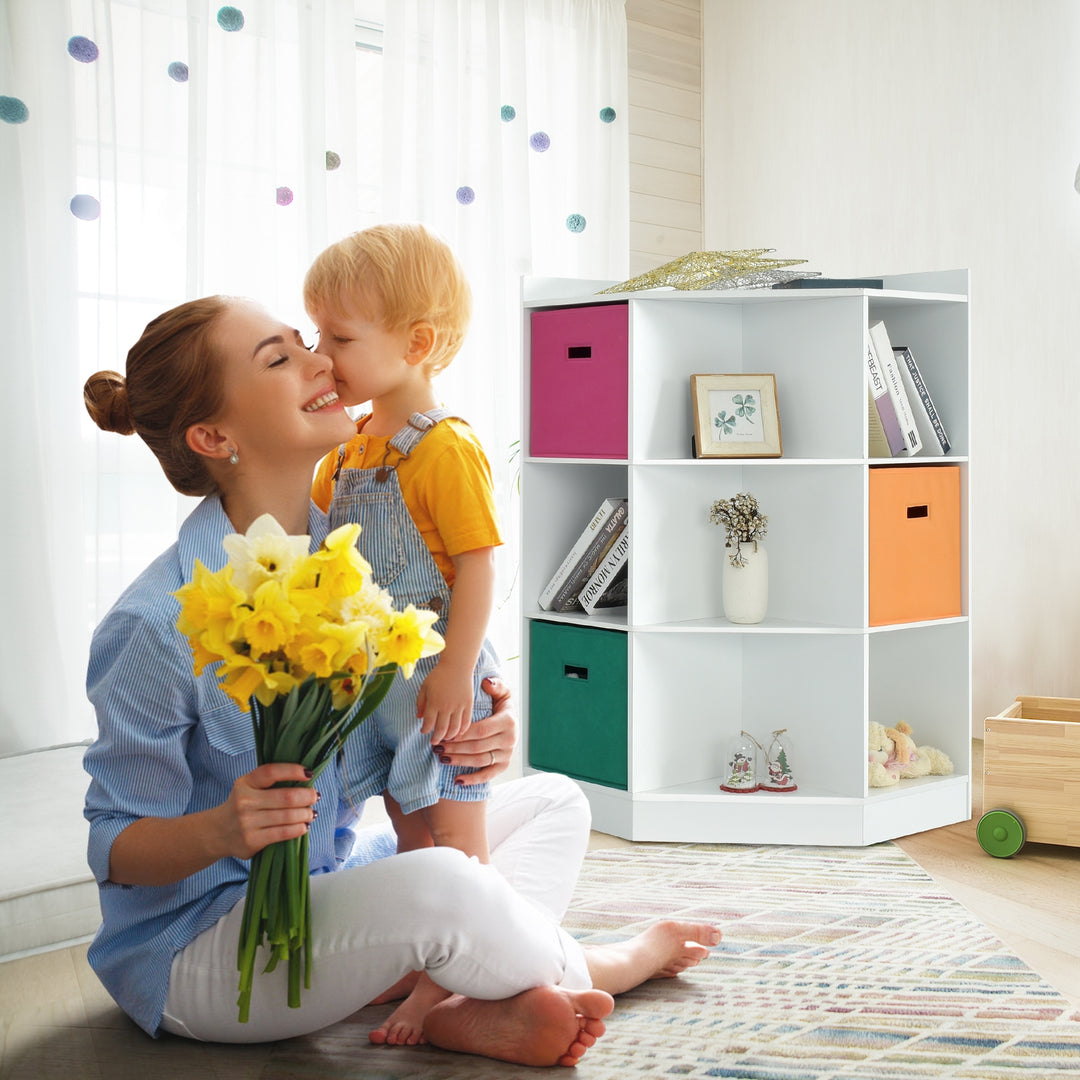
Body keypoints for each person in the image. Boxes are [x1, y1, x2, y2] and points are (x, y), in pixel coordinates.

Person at [81, 294, 721, 1064]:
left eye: (304, 341)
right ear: (215, 437)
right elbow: (115, 845)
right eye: (280, 359)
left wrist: (473, 730)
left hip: (327, 882)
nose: (321, 361)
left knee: (553, 801)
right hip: (205, 948)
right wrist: (224, 829)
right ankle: (610, 963)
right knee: (444, 883)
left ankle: (453, 999)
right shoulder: (155, 622)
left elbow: (401, 723)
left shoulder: (360, 563)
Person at [304, 223, 501, 1043]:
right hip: (376, 683)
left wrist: (457, 670)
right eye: (316, 334)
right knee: (409, 827)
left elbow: (478, 565)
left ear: (416, 344)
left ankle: (459, 978)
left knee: (454, 837)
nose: (321, 356)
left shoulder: (443, 448)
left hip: (435, 674)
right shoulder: (345, 455)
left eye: (339, 339)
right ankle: (427, 965)